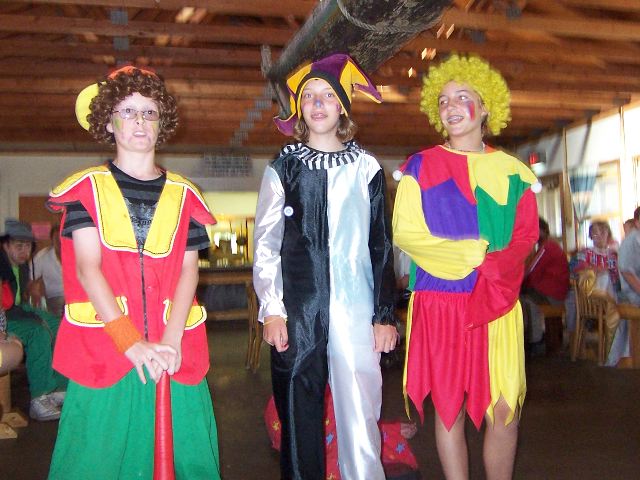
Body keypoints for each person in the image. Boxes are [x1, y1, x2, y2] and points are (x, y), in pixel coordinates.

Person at [47, 66, 220, 479]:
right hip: (106, 347)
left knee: (188, 454)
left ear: (162, 122)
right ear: (108, 121)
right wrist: (129, 341)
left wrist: (171, 341)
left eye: (149, 112)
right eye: (127, 110)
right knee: (95, 458)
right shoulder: (85, 189)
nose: (139, 120)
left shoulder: (186, 195)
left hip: (175, 347)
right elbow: (88, 269)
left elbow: (189, 272)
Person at [392, 54, 539, 479]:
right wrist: (467, 256)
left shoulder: (514, 172)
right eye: (442, 101)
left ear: (486, 106)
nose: (450, 106)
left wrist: (495, 268)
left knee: (504, 410)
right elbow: (406, 233)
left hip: (497, 303)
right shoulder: (420, 165)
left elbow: (526, 236)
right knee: (449, 408)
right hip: (439, 302)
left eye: (462, 97)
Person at [253, 53, 397, 480]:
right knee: (298, 411)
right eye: (308, 96)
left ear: (343, 108)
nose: (317, 103)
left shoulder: (367, 168)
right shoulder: (283, 168)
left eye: (327, 95)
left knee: (360, 409)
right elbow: (266, 243)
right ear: (299, 109)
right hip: (298, 311)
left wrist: (383, 315)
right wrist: (272, 309)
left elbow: (380, 245)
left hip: (356, 308)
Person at [0, 219, 67, 421]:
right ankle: (39, 396)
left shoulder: (21, 266)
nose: (24, 251)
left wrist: (32, 288)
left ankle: (59, 387)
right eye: (19, 246)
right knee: (37, 332)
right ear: (6, 245)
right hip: (4, 314)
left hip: (16, 309)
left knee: (60, 326)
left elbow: (20, 297)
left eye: (28, 246)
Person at [521, 217, 570, 349]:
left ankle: (534, 339)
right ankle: (535, 337)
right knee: (523, 297)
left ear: (542, 230)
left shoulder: (547, 247)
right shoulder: (550, 245)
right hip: (554, 292)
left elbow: (530, 270)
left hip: (552, 294)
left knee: (521, 299)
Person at [31, 224, 64, 317]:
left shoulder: (76, 253)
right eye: (56, 238)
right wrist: (34, 289)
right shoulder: (42, 256)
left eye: (62, 237)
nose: (59, 241)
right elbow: (31, 279)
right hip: (55, 297)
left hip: (75, 296)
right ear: (52, 240)